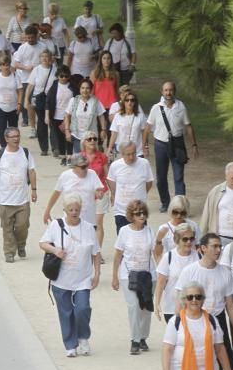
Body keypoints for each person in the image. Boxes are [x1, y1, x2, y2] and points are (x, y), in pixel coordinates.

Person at [39, 192, 101, 357]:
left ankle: (83, 337)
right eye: (70, 209)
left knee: (82, 308)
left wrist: (97, 274)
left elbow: (96, 253)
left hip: (83, 278)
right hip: (61, 278)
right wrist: (55, 250)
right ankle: (70, 344)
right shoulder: (56, 226)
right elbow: (42, 243)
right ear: (65, 210)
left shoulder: (88, 228)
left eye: (77, 209)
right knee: (65, 312)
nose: (74, 212)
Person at [175, 233, 233, 370]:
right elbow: (180, 301)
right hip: (195, 319)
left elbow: (230, 305)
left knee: (223, 360)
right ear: (203, 248)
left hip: (217, 320)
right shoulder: (189, 271)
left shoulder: (225, 272)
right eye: (214, 246)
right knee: (198, 359)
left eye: (220, 246)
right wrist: (177, 327)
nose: (218, 250)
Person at [162, 283, 232, 370]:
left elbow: (220, 348)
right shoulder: (175, 322)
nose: (194, 300)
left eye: (198, 297)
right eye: (190, 297)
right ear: (184, 300)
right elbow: (167, 349)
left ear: (203, 300)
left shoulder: (212, 320)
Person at [143, 80, 198, 212]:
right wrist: (144, 144)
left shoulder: (181, 106)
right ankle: (165, 202)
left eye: (171, 90)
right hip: (160, 144)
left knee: (179, 176)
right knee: (161, 177)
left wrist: (194, 144)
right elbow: (148, 127)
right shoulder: (156, 108)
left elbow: (188, 126)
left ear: (174, 91)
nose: (168, 93)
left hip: (178, 144)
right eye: (166, 90)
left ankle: (180, 205)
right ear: (162, 92)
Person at [111, 199, 156, 355]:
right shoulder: (124, 231)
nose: (141, 216)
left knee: (145, 308)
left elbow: (157, 254)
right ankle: (135, 340)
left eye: (143, 213)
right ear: (131, 215)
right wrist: (114, 277)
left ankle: (143, 337)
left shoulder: (150, 231)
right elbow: (117, 255)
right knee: (133, 306)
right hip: (128, 274)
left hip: (148, 274)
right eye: (137, 213)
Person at [0, 127, 37, 263]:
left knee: (23, 226)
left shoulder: (25, 153)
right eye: (13, 137)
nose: (16, 139)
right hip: (5, 199)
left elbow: (32, 172)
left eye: (18, 136)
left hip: (22, 199)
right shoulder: (0, 154)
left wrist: (34, 190)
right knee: (7, 228)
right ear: (6, 139)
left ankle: (21, 245)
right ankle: (9, 252)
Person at [155, 224, 200, 324]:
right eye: (185, 239)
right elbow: (160, 283)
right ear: (177, 240)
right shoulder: (168, 257)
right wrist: (157, 304)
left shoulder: (199, 256)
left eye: (191, 239)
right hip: (171, 307)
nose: (189, 242)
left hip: (194, 306)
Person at [43, 153, 103, 227]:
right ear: (74, 167)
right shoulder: (65, 176)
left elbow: (98, 191)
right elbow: (56, 193)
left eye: (87, 165)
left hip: (88, 221)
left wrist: (99, 194)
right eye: (83, 167)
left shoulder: (92, 174)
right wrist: (47, 211)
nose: (86, 169)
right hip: (69, 220)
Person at [107, 141, 154, 233]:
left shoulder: (144, 163)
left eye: (133, 153)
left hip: (140, 210)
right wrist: (113, 194)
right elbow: (111, 180)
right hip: (121, 210)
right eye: (128, 154)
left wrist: (141, 194)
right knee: (123, 239)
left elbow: (149, 182)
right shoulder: (115, 166)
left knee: (141, 236)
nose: (131, 157)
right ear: (122, 154)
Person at [12, 24, 45, 134]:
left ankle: (41, 124)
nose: (30, 40)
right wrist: (26, 67)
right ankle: (32, 127)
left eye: (32, 37)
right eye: (28, 37)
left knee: (39, 104)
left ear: (37, 36)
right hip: (25, 79)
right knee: (29, 104)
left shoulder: (42, 47)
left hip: (39, 80)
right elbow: (16, 63)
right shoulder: (22, 48)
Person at [81, 131, 109, 253]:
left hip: (101, 194)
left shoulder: (102, 156)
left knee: (97, 224)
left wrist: (113, 193)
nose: (92, 141)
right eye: (89, 139)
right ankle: (85, 250)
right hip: (84, 194)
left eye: (95, 139)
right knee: (85, 223)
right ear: (84, 143)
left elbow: (108, 176)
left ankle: (97, 252)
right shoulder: (79, 157)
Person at [25, 49, 56, 155]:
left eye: (47, 56)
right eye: (42, 56)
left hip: (52, 100)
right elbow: (30, 86)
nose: (44, 58)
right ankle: (44, 148)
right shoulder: (36, 70)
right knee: (42, 124)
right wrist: (26, 100)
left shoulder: (55, 70)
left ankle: (55, 147)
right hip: (39, 99)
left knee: (52, 123)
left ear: (51, 58)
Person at [63, 78, 107, 153]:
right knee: (79, 159)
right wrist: (67, 131)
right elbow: (67, 116)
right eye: (82, 88)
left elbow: (101, 116)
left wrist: (103, 130)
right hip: (77, 135)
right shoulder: (73, 100)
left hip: (91, 137)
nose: (85, 90)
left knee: (91, 159)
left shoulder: (96, 101)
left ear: (90, 89)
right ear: (79, 89)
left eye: (87, 88)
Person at [0, 54, 23, 147]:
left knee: (13, 128)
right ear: (0, 66)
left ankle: (14, 145)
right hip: (0, 106)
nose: (5, 67)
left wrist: (19, 104)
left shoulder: (15, 76)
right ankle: (3, 147)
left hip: (13, 106)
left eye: (7, 64)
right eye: (3, 65)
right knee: (2, 128)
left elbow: (20, 91)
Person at [154, 195, 202, 262]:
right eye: (175, 212)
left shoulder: (193, 225)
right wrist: (158, 240)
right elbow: (157, 254)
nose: (179, 216)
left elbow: (199, 246)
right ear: (171, 210)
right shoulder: (163, 229)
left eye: (183, 213)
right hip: (172, 264)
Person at [45, 65, 75, 164]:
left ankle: (69, 154)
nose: (63, 78)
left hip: (69, 116)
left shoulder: (73, 87)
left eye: (66, 76)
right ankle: (60, 153)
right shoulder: (54, 86)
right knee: (58, 137)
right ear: (57, 76)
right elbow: (48, 102)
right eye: (61, 76)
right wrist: (47, 115)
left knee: (69, 136)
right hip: (56, 115)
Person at [107, 89, 147, 158]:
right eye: (127, 100)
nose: (129, 102)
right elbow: (114, 134)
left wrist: (145, 147)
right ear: (123, 102)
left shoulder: (140, 116)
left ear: (135, 102)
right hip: (121, 151)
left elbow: (144, 133)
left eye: (132, 100)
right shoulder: (118, 116)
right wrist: (109, 148)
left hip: (137, 151)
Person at [90, 50, 120, 128]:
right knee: (100, 131)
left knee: (111, 130)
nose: (106, 60)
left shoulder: (115, 74)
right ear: (101, 60)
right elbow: (91, 90)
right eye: (104, 58)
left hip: (112, 106)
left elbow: (117, 90)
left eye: (108, 58)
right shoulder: (94, 73)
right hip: (99, 105)